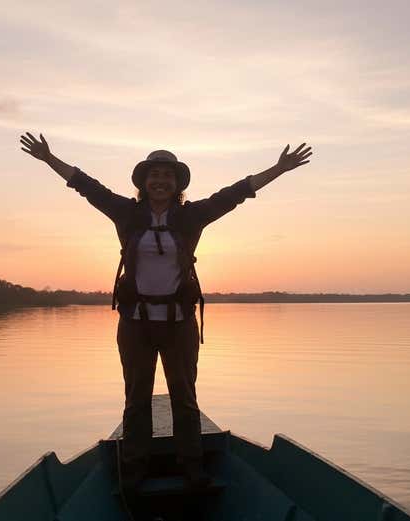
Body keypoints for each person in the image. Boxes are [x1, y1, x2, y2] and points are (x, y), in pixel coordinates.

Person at [19, 132, 312, 489]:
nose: (160, 181)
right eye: (153, 175)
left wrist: (279, 169)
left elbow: (238, 192)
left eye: (167, 176)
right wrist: (49, 159)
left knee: (185, 399)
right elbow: (85, 185)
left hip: (179, 325)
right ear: (143, 182)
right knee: (136, 399)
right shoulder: (126, 212)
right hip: (135, 325)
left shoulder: (193, 216)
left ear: (177, 185)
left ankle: (192, 466)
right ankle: (134, 467)